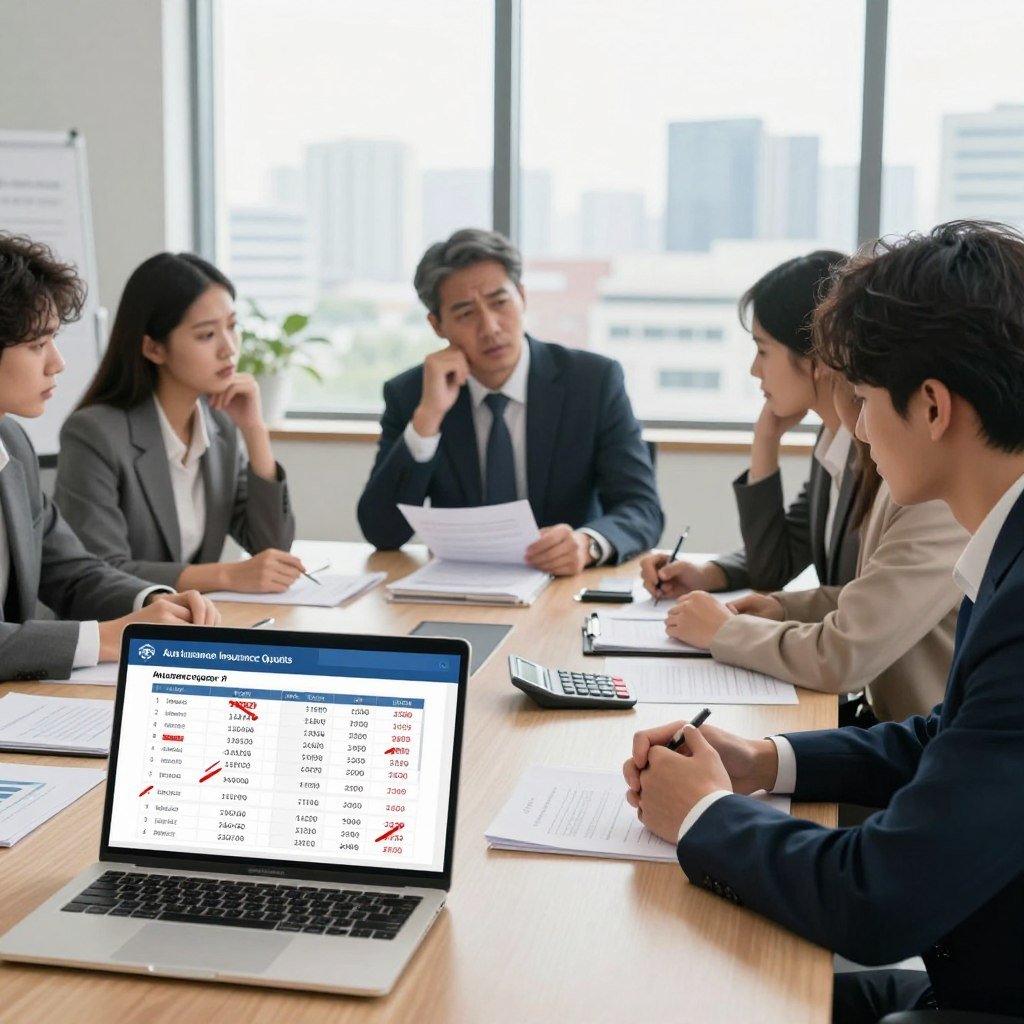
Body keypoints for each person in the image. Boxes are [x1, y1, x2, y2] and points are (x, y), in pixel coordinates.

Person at [623, 221, 1024, 1021]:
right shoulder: (1004, 547)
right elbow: (943, 735)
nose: (860, 431)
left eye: (867, 403)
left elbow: (876, 899)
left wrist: (703, 812)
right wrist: (760, 761)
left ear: (934, 406)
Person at [660, 375, 967, 722]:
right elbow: (877, 597)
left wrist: (725, 632)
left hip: (914, 741)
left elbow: (845, 653)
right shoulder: (860, 458)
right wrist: (783, 608)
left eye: (863, 396)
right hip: (891, 728)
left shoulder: (929, 496)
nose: (862, 429)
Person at [356, 229, 663, 575]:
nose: (490, 328)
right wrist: (428, 418)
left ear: (522, 297)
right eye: (466, 314)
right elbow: (381, 532)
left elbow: (642, 509)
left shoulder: (592, 382)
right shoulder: (412, 394)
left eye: (500, 303)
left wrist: (587, 543)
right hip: (460, 592)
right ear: (437, 325)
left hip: (565, 589)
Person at [0, 234, 218, 680]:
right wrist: (107, 637)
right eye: (37, 344)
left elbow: (72, 572)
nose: (57, 363)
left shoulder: (11, 443)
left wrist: (154, 603)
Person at [55, 252, 300, 592]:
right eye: (206, 335)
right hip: (120, 632)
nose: (229, 349)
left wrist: (255, 431)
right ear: (154, 349)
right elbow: (100, 569)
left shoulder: (222, 428)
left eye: (232, 326)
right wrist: (225, 575)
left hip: (189, 628)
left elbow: (271, 548)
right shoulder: (94, 434)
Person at [642, 251, 860, 600]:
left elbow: (860, 605)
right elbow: (771, 567)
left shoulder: (878, 456)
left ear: (817, 355)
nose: (754, 370)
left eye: (763, 351)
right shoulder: (832, 441)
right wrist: (766, 439)